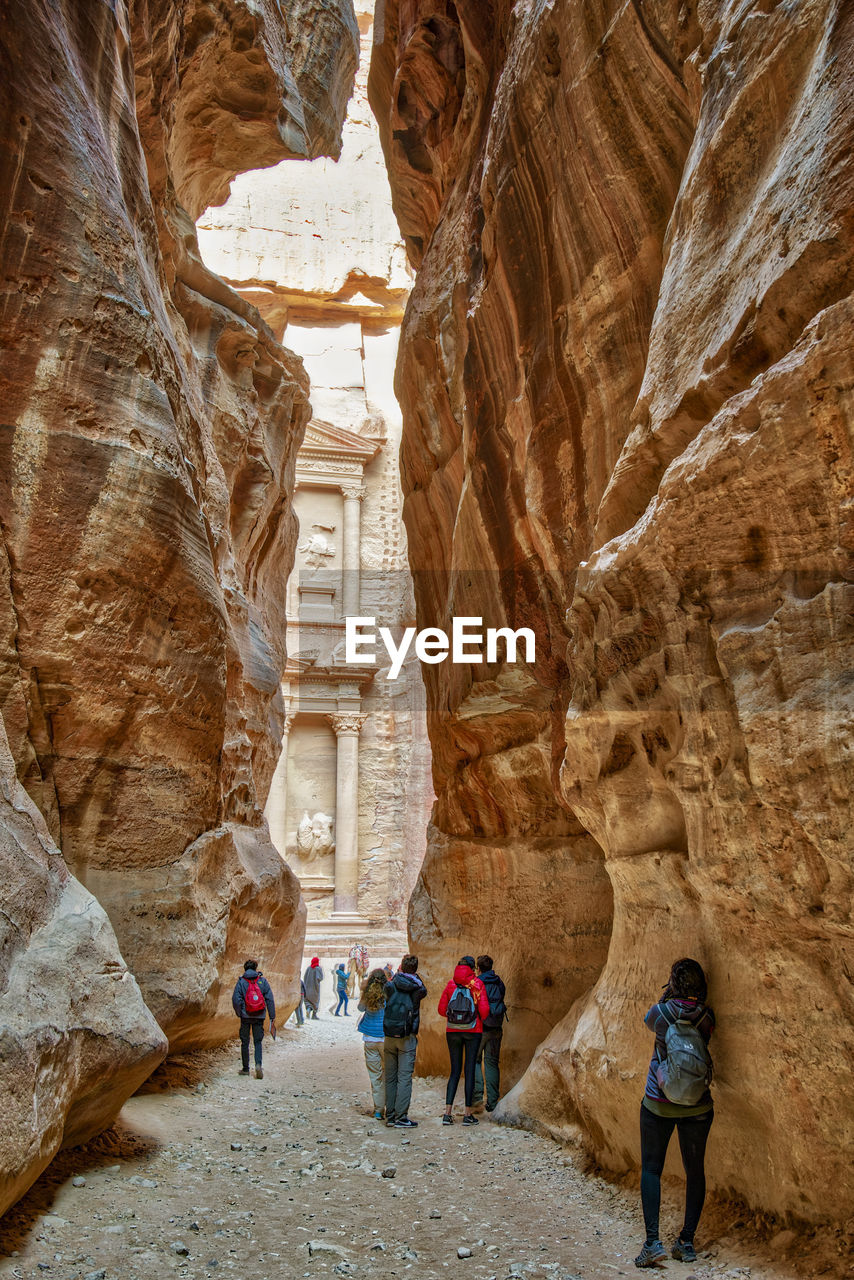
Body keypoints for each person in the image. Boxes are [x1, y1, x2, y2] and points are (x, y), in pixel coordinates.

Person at [635, 958, 715, 1268]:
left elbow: (647, 1020)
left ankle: (653, 1243)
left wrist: (665, 997)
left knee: (651, 1168)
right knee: (695, 1171)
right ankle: (686, 1242)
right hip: (698, 1104)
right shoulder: (706, 1016)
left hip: (659, 1102)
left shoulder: (661, 1013)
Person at [438, 955, 490, 1125]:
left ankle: (447, 1113)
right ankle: (467, 1114)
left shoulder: (451, 984)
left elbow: (441, 1009)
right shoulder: (477, 984)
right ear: (473, 968)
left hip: (452, 1031)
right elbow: (485, 1011)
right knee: (469, 1071)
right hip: (473, 1031)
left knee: (454, 1071)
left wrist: (455, 1019)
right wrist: (475, 1018)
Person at [383, 954, 428, 1129]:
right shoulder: (417, 989)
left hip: (389, 1034)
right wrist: (416, 976)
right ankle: (401, 1117)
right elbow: (424, 989)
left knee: (390, 1077)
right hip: (407, 1035)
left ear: (401, 966)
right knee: (404, 1078)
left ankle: (391, 1115)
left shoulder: (391, 984)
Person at [472, 954, 506, 1112]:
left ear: (478, 969)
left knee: (476, 1061)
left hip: (480, 1027)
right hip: (496, 1028)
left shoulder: (477, 983)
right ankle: (492, 1101)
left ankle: (477, 1097)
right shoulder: (499, 982)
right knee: (492, 1063)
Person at [231, 959, 276, 1079]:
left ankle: (245, 1069)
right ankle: (258, 1065)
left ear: (245, 968)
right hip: (259, 1016)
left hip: (246, 1017)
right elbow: (269, 999)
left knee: (245, 1042)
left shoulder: (241, 981)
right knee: (258, 1042)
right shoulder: (262, 981)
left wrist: (240, 1012)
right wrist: (272, 1016)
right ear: (255, 968)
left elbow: (236, 999)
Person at [357, 967, 388, 1119]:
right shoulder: (388, 994)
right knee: (388, 1074)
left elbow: (360, 1008)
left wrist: (364, 993)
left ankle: (378, 1110)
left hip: (369, 1038)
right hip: (385, 1038)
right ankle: (392, 1107)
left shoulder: (368, 994)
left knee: (375, 1076)